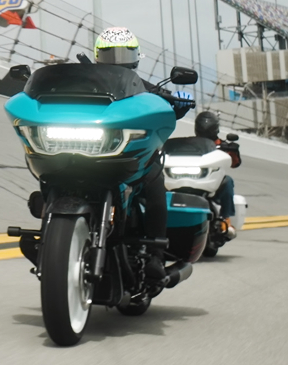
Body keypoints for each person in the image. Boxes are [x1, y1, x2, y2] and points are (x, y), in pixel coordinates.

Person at [94, 27, 190, 283]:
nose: (117, 60)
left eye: (123, 54)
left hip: (128, 154)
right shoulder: (84, 82)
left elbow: (165, 107)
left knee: (154, 176)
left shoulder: (146, 89)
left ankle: (156, 255)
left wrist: (178, 104)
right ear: (97, 56)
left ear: (136, 57)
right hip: (89, 151)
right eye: (110, 54)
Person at [194, 110, 241, 237]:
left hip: (213, 180)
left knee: (228, 181)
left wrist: (233, 151)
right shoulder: (191, 144)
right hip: (194, 177)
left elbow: (234, 164)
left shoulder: (223, 145)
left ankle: (226, 219)